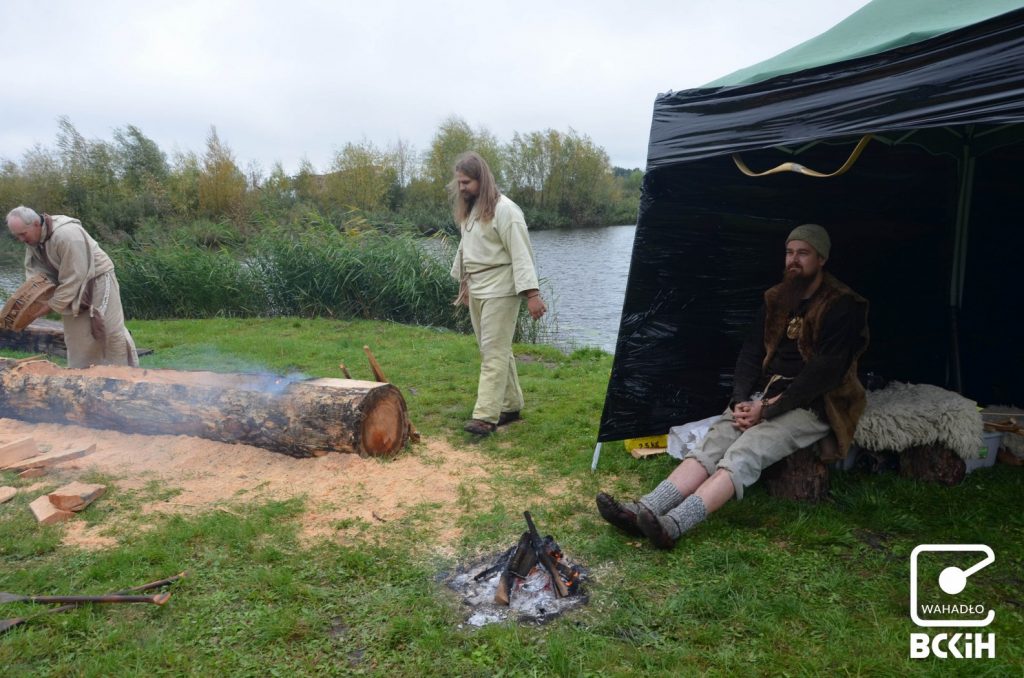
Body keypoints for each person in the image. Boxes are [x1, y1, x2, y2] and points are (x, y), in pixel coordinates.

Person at [597, 224, 869, 549]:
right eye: (789, 252)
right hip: (761, 396)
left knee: (744, 452)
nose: (794, 260)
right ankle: (645, 509)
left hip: (813, 403)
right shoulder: (777, 298)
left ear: (821, 258)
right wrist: (741, 399)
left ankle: (674, 526)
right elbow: (750, 354)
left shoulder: (842, 305)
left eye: (803, 253)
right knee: (712, 445)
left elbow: (823, 374)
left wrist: (768, 409)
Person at [448, 152, 546, 436]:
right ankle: (511, 405)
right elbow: (466, 248)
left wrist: (532, 295)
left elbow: (521, 253)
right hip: (478, 287)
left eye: (466, 182)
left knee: (493, 352)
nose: (461, 188)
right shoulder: (472, 211)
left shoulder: (506, 211)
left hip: (502, 288)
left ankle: (485, 416)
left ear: (481, 179)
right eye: (459, 183)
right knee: (494, 350)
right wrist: (464, 284)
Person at [6, 206, 139, 369]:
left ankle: (124, 375)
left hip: (97, 282)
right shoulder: (34, 240)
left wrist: (52, 305)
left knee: (108, 331)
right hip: (70, 284)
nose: (21, 239)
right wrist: (33, 299)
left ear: (35, 224)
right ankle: (81, 379)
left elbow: (76, 276)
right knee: (76, 338)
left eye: (22, 234)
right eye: (17, 235)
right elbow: (36, 273)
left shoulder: (67, 235)